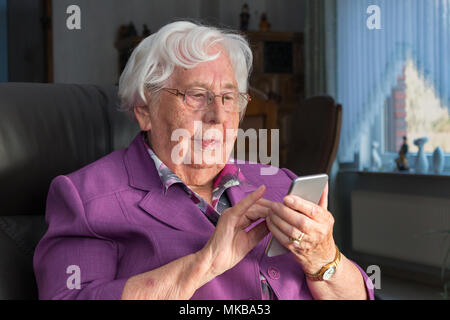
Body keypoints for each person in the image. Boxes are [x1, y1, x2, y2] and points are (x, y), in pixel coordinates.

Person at [33, 21, 374, 300]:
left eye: (229, 97)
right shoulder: (86, 198)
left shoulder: (281, 183)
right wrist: (204, 264)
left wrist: (324, 260)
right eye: (196, 95)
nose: (218, 115)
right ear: (143, 110)